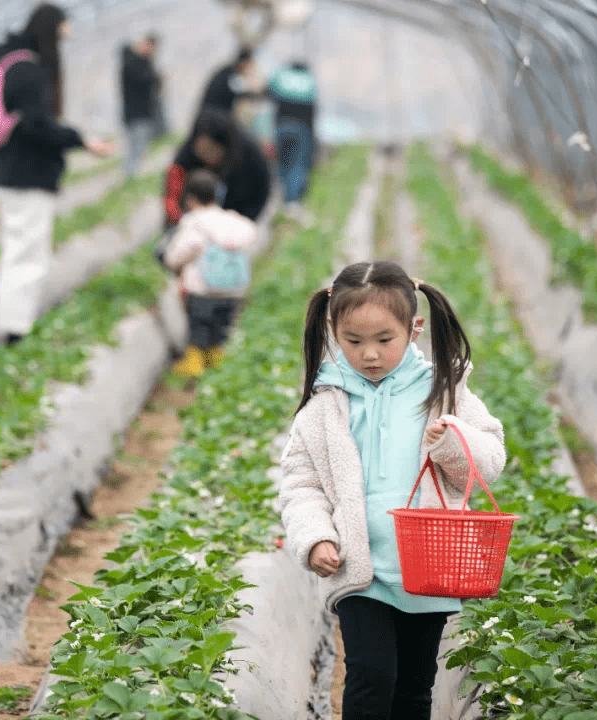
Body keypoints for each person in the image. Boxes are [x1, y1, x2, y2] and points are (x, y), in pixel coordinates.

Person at [278, 262, 507, 720]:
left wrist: (453, 442)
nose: (370, 355)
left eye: (385, 340)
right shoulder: (325, 406)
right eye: (354, 341)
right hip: (361, 571)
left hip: (428, 569)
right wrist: (317, 536)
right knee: (370, 677)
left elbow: (490, 462)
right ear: (332, 330)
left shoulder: (443, 391)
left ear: (414, 328)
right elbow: (301, 484)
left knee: (414, 687)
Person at [0, 3, 113, 345]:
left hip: (13, 173)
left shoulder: (14, 63)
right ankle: (14, 330)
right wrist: (80, 140)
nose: (63, 41)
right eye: (62, 32)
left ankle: (11, 323)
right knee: (26, 254)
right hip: (26, 177)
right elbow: (36, 125)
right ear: (50, 30)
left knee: (18, 250)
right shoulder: (29, 71)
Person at [163, 169, 257, 377]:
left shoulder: (194, 222)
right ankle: (217, 365)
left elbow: (179, 253)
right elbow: (250, 234)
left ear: (190, 198)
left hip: (202, 290)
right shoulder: (233, 221)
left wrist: (172, 262)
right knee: (221, 330)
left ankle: (194, 365)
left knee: (199, 328)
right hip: (233, 290)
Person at [163, 107, 271, 235]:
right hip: (190, 225)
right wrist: (179, 219)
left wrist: (241, 225)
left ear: (224, 146)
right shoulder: (186, 158)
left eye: (211, 150)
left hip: (235, 222)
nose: (206, 156)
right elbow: (172, 195)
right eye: (201, 151)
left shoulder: (248, 156)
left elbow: (261, 192)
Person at [267, 60, 317, 207]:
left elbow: (269, 97)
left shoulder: (281, 77)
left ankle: (277, 200)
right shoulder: (309, 81)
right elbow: (313, 111)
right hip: (301, 129)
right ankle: (292, 202)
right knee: (297, 166)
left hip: (281, 126)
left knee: (281, 164)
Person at [120, 34, 159, 178]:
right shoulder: (132, 64)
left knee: (140, 145)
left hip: (141, 112)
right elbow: (149, 80)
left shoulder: (138, 63)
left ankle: (133, 174)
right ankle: (130, 175)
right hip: (136, 113)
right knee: (136, 146)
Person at [199, 47, 255, 115]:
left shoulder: (227, 70)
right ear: (244, 64)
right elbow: (240, 94)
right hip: (212, 115)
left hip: (208, 113)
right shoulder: (231, 75)